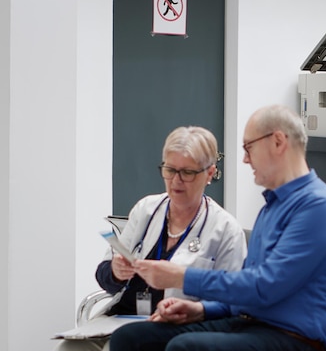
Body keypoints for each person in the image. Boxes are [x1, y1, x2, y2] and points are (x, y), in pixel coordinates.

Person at [109, 104, 326, 351]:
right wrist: (201, 309)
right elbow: (246, 289)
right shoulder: (272, 207)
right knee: (130, 338)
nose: (246, 159)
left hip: (294, 339)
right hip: (249, 323)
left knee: (186, 347)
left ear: (278, 142)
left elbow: (263, 287)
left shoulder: (320, 207)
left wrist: (181, 277)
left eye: (249, 148)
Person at [55, 126, 248, 351]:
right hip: (122, 319)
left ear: (208, 173)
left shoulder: (225, 229)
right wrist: (116, 272)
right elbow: (104, 275)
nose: (176, 180)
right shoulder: (146, 209)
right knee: (68, 348)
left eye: (187, 172)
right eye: (169, 169)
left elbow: (233, 302)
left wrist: (193, 307)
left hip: (175, 327)